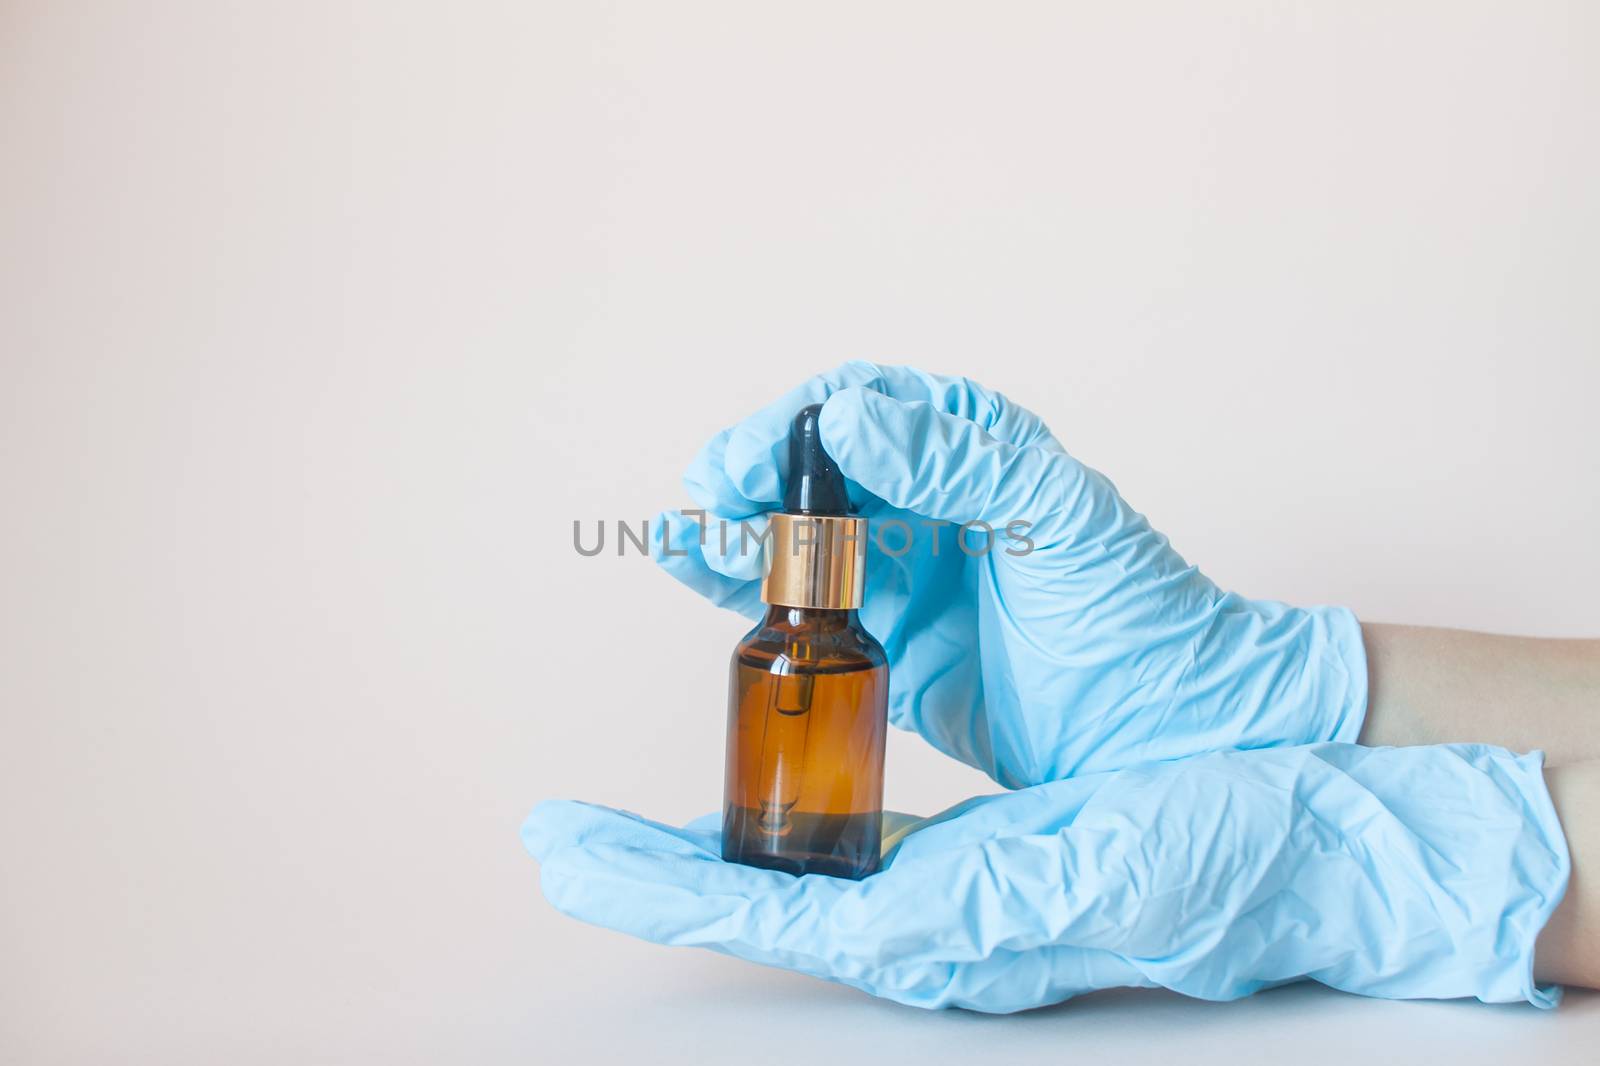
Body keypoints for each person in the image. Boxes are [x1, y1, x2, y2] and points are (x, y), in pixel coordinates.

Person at [525, 363, 1597, 1011]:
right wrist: (1282, 695)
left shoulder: (845, 656)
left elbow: (1336, 866)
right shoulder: (781, 650)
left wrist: (1334, 876)